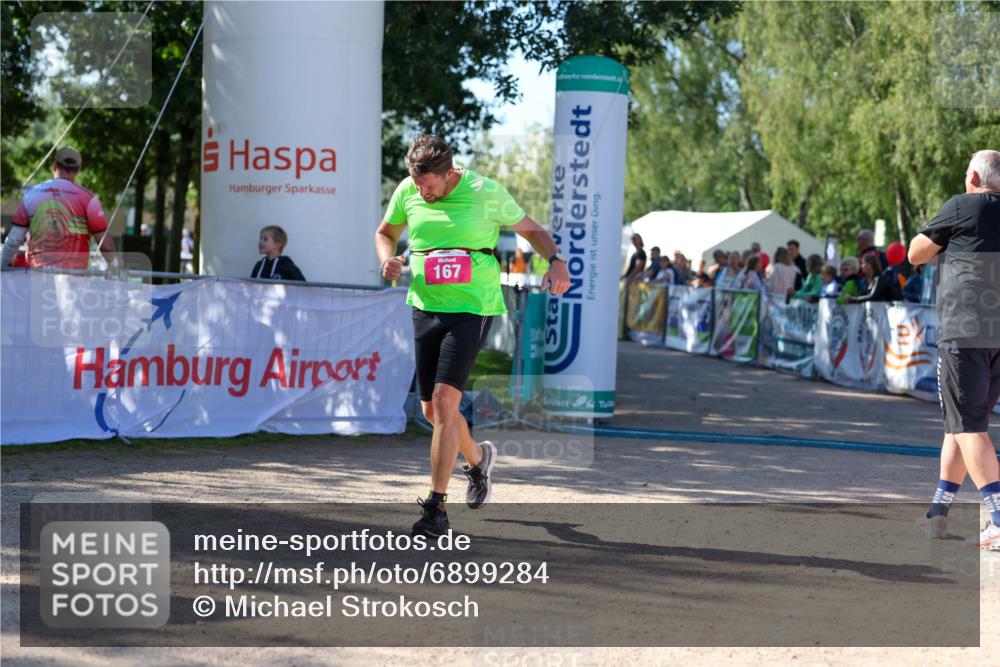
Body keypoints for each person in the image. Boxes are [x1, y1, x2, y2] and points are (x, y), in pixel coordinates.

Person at [375, 134, 570, 538]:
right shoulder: (408, 189)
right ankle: (479, 459)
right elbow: (385, 233)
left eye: (429, 185)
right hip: (426, 305)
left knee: (446, 401)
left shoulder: (485, 191)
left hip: (472, 307)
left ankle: (435, 509)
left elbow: (532, 230)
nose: (422, 192)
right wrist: (387, 259)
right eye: (417, 184)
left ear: (449, 174)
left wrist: (555, 261)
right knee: (432, 413)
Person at [909, 149, 1000, 550]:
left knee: (969, 428)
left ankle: (998, 519)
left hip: (965, 328)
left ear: (975, 178)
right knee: (960, 427)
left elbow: (915, 254)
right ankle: (938, 515)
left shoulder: (962, 205)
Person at [1, 147, 116, 270]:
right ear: (78, 170)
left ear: (54, 166)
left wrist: (2, 266)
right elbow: (106, 247)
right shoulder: (88, 199)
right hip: (75, 275)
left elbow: (14, 240)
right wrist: (114, 266)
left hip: (37, 274)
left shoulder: (30, 195)